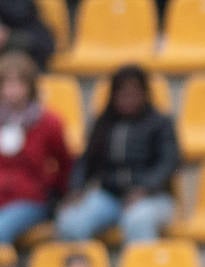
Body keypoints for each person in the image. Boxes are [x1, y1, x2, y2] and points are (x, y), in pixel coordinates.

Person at [55, 64, 179, 243]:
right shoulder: (103, 124)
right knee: (71, 222)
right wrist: (76, 189)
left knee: (138, 221)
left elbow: (169, 163)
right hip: (108, 196)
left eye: (134, 93)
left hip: (152, 197)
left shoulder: (160, 124)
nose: (128, 99)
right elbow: (86, 161)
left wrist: (144, 189)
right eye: (123, 93)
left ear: (145, 94)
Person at [0, 51, 69, 244]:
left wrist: (56, 193)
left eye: (18, 83)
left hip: (30, 199)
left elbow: (64, 162)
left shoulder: (48, 122)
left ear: (30, 87)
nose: (12, 90)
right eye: (7, 83)